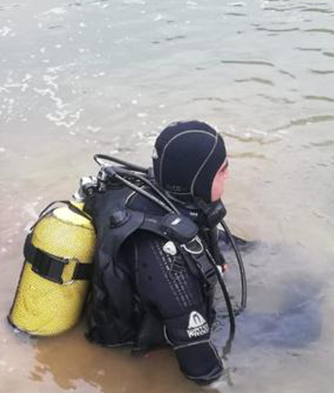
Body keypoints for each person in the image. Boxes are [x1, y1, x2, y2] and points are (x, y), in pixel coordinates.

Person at [83, 120, 232, 385]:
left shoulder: (149, 192)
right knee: (302, 328)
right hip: (139, 342)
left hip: (139, 282)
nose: (228, 176)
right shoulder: (168, 265)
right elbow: (203, 373)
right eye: (222, 170)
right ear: (198, 178)